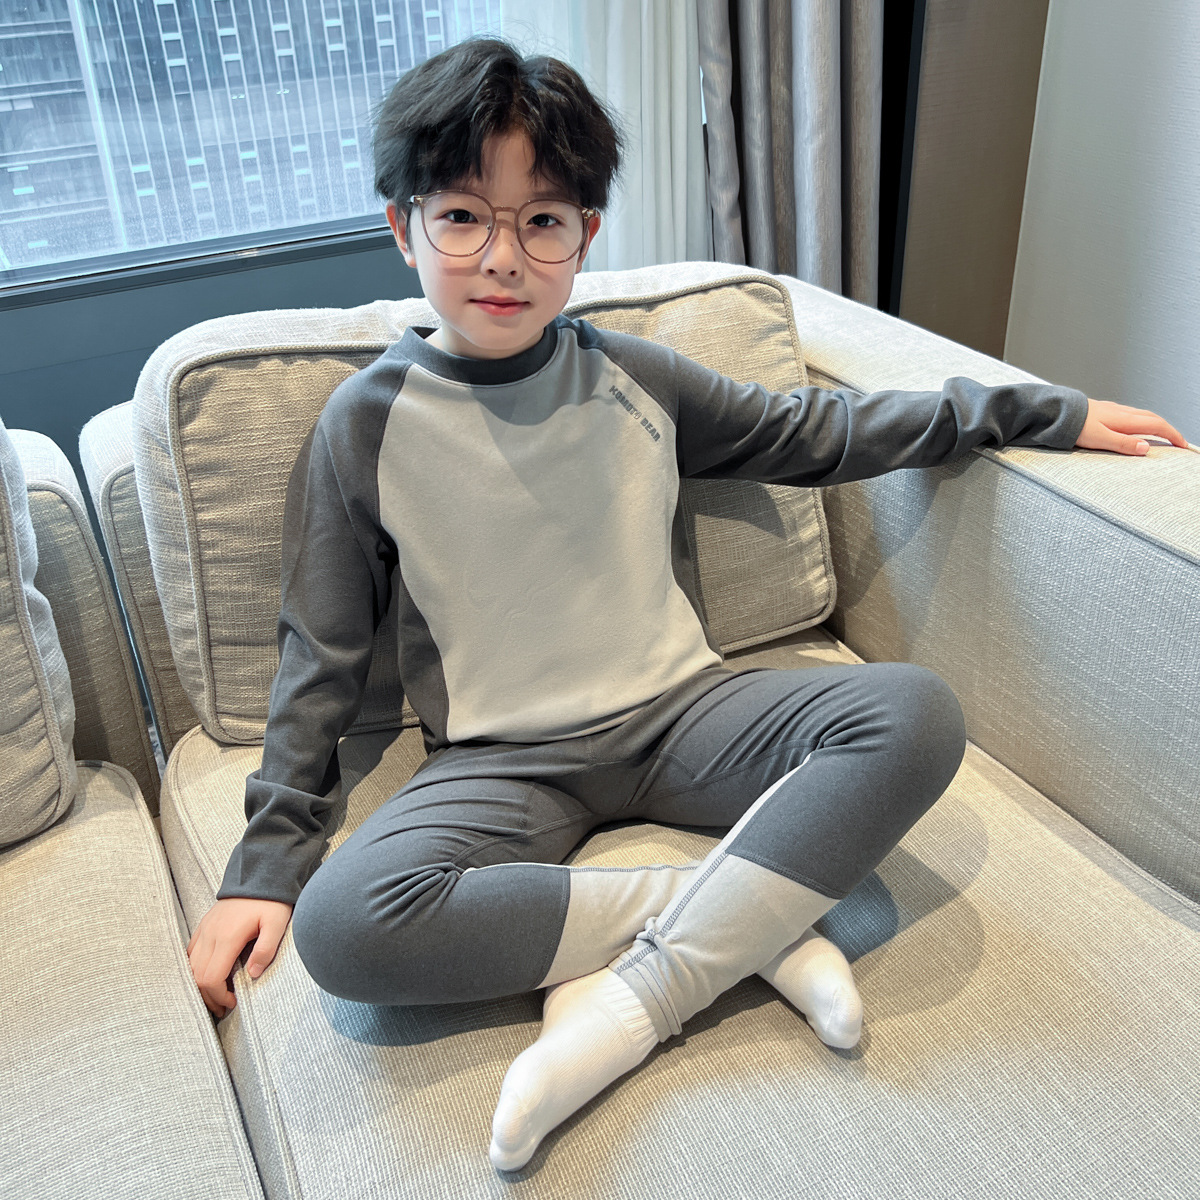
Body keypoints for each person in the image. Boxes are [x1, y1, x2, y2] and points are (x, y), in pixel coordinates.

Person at [184, 37, 1188, 1173]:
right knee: (345, 930)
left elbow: (821, 432)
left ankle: (648, 991)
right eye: (462, 216)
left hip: (685, 719)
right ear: (402, 227)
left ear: (585, 237)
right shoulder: (361, 424)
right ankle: (749, 922)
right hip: (500, 765)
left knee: (915, 714)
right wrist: (266, 861)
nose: (502, 257)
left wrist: (1032, 409)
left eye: (542, 221)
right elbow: (321, 655)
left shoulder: (637, 376)